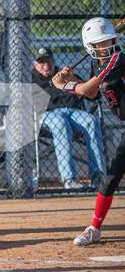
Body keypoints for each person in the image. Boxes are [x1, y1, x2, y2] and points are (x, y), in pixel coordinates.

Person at [52, 17, 124, 245]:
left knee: (111, 175)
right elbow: (93, 93)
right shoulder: (98, 63)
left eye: (109, 39)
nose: (108, 43)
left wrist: (63, 85)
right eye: (101, 42)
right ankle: (94, 228)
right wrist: (71, 77)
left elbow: (84, 90)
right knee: (110, 178)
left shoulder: (117, 60)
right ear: (91, 47)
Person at [32, 47, 105, 189]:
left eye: (48, 62)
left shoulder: (65, 74)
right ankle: (69, 179)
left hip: (74, 113)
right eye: (42, 62)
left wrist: (72, 79)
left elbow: (94, 95)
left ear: (54, 62)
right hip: (48, 116)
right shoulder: (31, 79)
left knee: (91, 120)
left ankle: (97, 176)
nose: (46, 66)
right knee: (60, 122)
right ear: (35, 64)